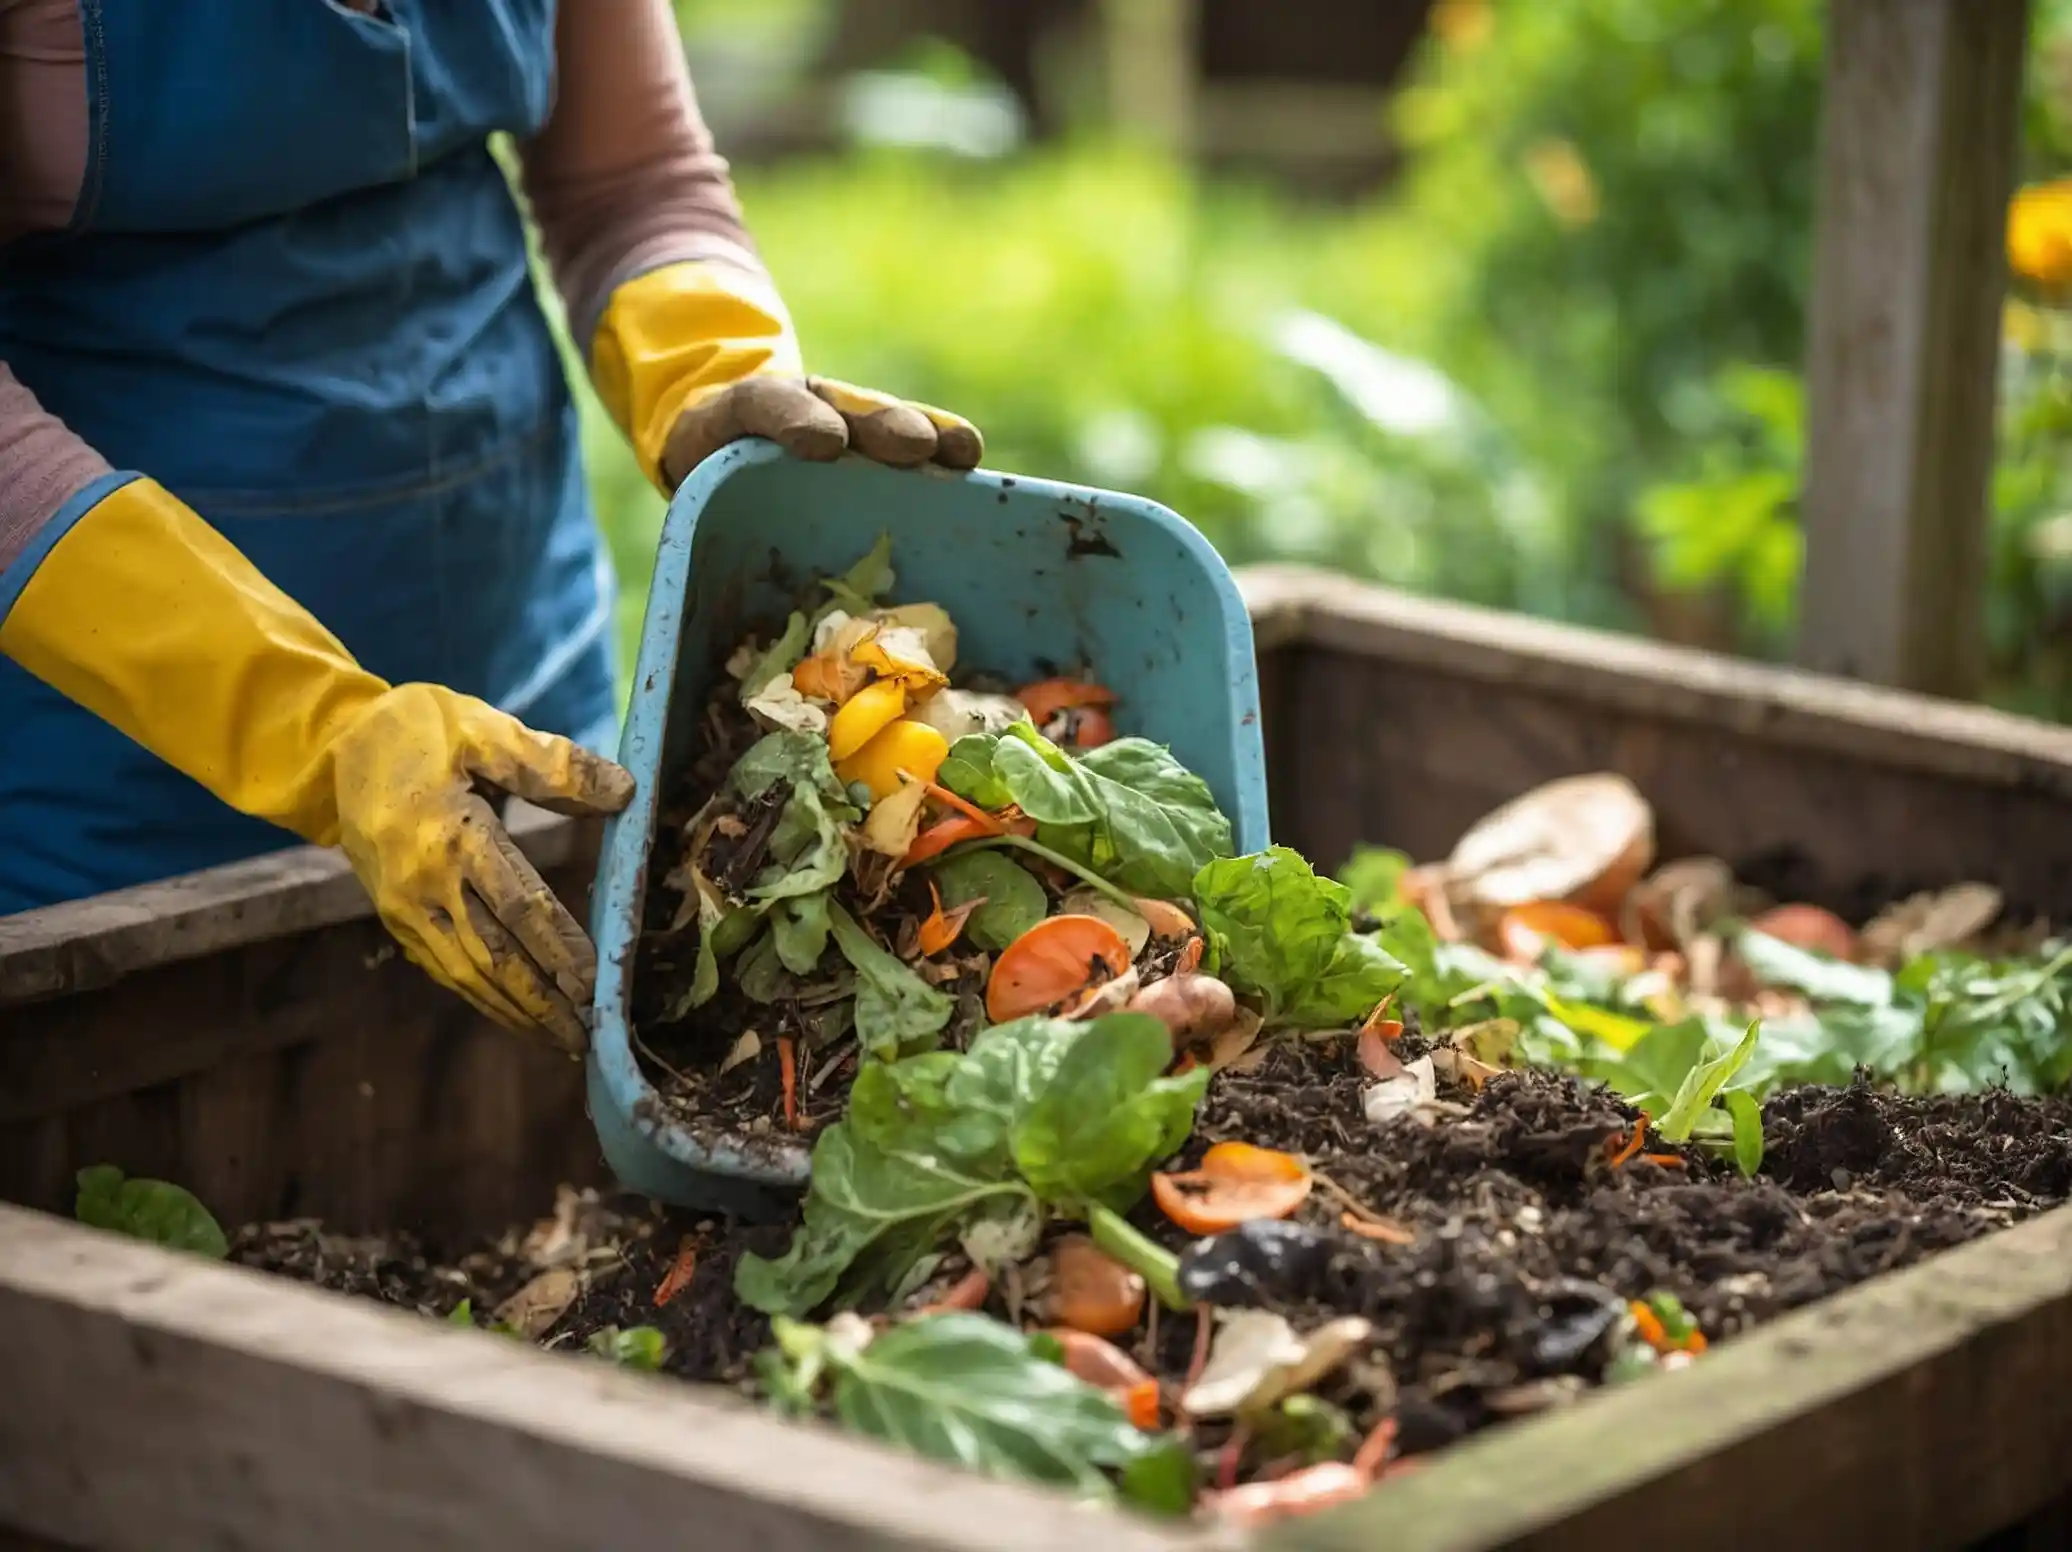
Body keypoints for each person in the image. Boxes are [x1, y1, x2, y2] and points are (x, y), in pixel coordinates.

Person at [0, 1, 980, 1054]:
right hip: (114, 762)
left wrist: (708, 381)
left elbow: (630, 179)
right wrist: (315, 731)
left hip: (518, 661)